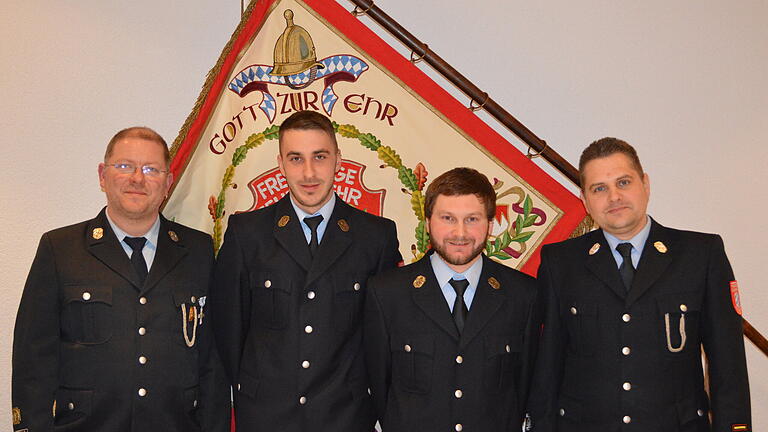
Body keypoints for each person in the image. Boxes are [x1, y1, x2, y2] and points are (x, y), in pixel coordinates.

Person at [12, 127, 230, 432]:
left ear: (167, 183)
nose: (137, 179)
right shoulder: (60, 250)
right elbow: (33, 361)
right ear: (103, 176)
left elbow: (212, 362)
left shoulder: (198, 251)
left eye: (151, 169)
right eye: (125, 166)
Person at [527, 137, 751, 431]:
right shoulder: (561, 262)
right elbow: (548, 366)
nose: (614, 197)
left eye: (623, 183)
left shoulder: (700, 255)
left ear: (645, 184)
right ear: (584, 199)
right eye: (599, 189)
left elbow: (728, 365)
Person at [211, 110, 402, 431]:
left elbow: (384, 338)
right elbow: (229, 331)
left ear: (338, 160)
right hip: (267, 416)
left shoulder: (375, 236)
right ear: (281, 163)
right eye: (296, 158)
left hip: (345, 416)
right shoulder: (247, 233)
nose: (309, 172)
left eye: (320, 157)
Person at [364, 167, 538, 432]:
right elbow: (379, 386)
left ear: (490, 225)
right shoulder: (387, 293)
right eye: (447, 218)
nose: (460, 233)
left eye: (472, 219)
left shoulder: (523, 294)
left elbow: (523, 386)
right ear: (427, 222)